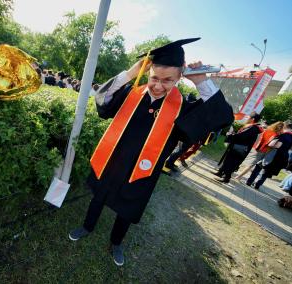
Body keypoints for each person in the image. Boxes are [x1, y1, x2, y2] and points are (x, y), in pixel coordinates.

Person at [68, 38, 234, 266]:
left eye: (168, 81)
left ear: (179, 78)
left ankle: (116, 242)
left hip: (143, 170)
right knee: (99, 196)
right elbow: (102, 98)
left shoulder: (182, 108)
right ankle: (87, 226)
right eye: (154, 77)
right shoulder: (131, 94)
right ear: (147, 73)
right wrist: (129, 73)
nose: (158, 85)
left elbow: (223, 116)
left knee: (128, 208)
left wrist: (201, 82)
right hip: (113, 162)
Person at [212, 112, 263, 183]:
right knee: (228, 160)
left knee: (231, 162)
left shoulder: (253, 128)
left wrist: (230, 135)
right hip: (239, 146)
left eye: (248, 117)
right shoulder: (252, 127)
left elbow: (241, 136)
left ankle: (226, 178)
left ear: (252, 119)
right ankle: (220, 172)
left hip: (239, 148)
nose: (247, 118)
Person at [246, 122, 292, 189]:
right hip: (282, 156)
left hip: (273, 154)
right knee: (266, 172)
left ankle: (249, 181)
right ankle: (257, 185)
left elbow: (277, 145)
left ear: (285, 127)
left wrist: (272, 143)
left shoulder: (283, 135)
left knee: (259, 166)